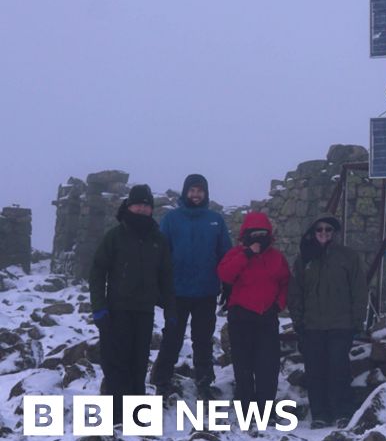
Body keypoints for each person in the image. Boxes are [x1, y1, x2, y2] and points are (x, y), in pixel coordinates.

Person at [88, 184, 175, 423]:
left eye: (146, 205)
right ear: (129, 206)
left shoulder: (158, 240)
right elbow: (97, 272)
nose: (142, 209)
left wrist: (171, 309)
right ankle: (115, 417)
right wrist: (99, 308)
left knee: (139, 363)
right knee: (116, 364)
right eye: (138, 204)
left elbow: (166, 277)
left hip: (144, 311)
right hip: (116, 311)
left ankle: (137, 417)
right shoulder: (115, 236)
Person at [150, 174, 232, 397]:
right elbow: (160, 254)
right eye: (192, 190)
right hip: (177, 291)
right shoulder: (171, 219)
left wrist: (228, 284)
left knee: (203, 340)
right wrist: (159, 286)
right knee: (172, 338)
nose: (196, 195)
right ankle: (162, 382)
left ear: (205, 193)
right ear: (185, 192)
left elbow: (225, 255)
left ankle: (204, 383)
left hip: (206, 291)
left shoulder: (215, 220)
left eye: (200, 191)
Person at [288, 214, 369, 428]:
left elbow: (359, 290)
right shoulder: (304, 258)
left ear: (334, 232)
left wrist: (357, 320)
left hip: (341, 324)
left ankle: (342, 412)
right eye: (319, 229)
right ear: (312, 233)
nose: (323, 233)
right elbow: (295, 292)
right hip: (312, 325)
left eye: (328, 229)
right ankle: (320, 414)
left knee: (339, 369)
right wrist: (298, 321)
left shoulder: (348, 257)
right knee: (315, 371)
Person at [217, 212, 290, 410]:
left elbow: (286, 283)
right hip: (241, 315)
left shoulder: (276, 258)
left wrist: (278, 304)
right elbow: (225, 274)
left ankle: (265, 409)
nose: (258, 238)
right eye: (254, 234)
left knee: (268, 366)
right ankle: (246, 408)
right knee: (243, 366)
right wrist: (247, 254)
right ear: (246, 235)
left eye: (262, 234)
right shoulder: (236, 254)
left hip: (267, 316)